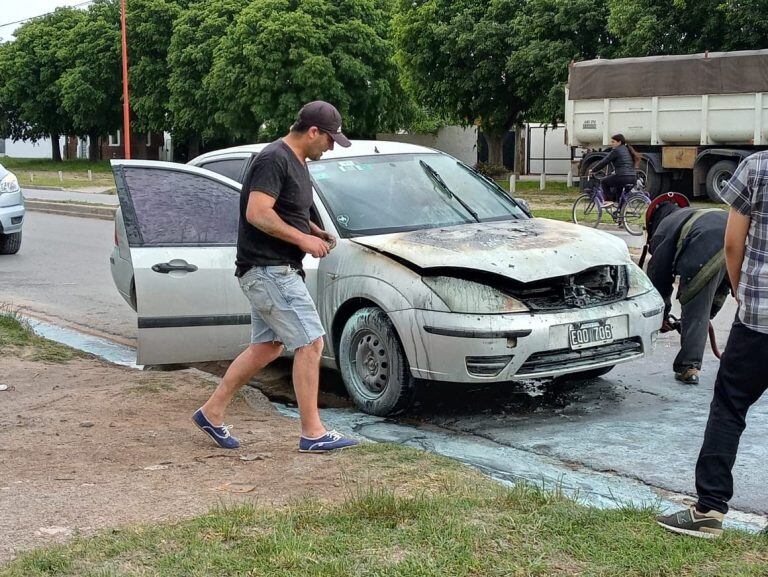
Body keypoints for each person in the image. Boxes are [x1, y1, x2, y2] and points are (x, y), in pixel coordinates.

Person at [192, 101, 359, 453]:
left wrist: (316, 230)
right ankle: (312, 433)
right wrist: (303, 240)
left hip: (275, 269)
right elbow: (257, 213)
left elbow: (290, 211)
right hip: (268, 269)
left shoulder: (297, 163)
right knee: (312, 343)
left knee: (267, 347)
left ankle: (212, 412)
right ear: (313, 131)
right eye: (330, 140)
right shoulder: (273, 158)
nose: (331, 147)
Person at [656, 151, 768, 538]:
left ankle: (709, 511)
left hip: (759, 319)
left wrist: (742, 292)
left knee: (730, 405)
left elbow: (734, 243)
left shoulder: (757, 166)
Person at [645, 193, 730, 384]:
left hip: (707, 246)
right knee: (743, 309)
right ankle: (749, 362)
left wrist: (662, 314)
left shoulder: (664, 227)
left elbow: (659, 276)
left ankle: (688, 367)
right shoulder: (687, 214)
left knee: (696, 307)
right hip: (737, 239)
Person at [587, 134, 642, 207]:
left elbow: (604, 161)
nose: (611, 144)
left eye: (613, 142)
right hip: (633, 178)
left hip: (623, 176)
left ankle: (609, 200)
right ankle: (620, 213)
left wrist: (593, 170)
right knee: (618, 193)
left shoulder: (616, 151)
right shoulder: (627, 149)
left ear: (619, 142)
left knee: (604, 182)